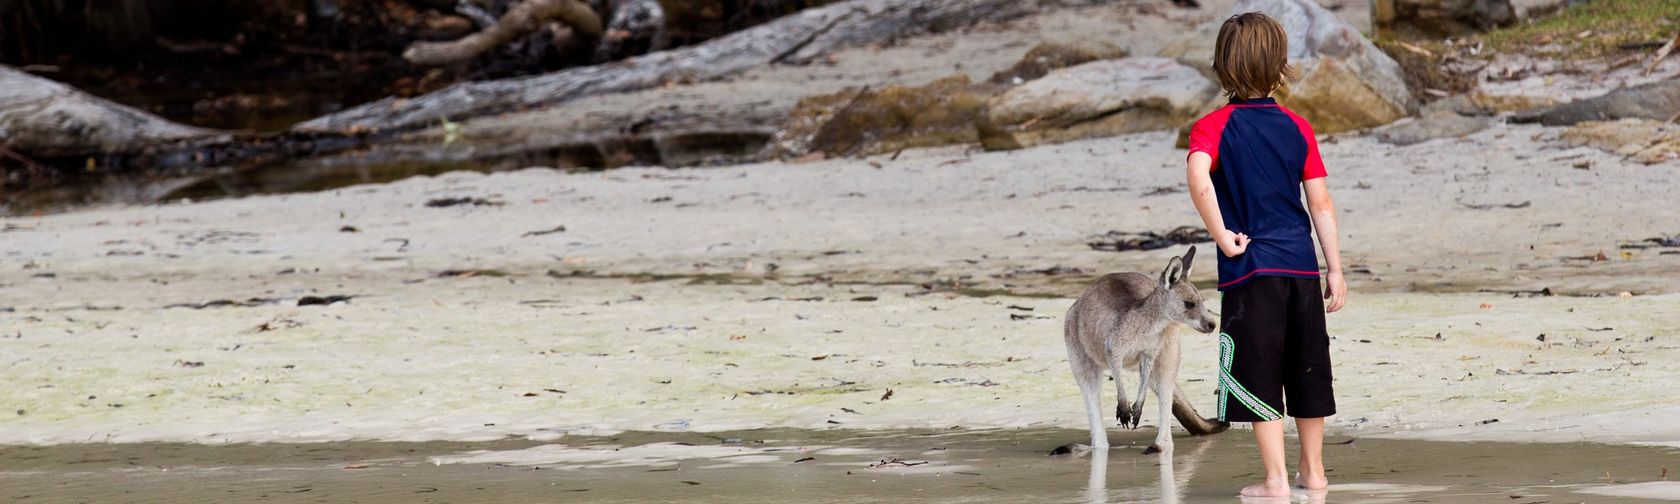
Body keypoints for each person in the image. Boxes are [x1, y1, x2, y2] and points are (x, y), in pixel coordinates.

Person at [1183, 11, 1347, 499]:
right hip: (1300, 267)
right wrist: (1334, 269)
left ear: (1222, 67)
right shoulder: (1298, 127)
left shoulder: (1212, 126)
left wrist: (1221, 234)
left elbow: (1197, 176)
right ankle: (1313, 472)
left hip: (1250, 271)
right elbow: (1320, 203)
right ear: (1279, 67)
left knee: (1259, 373)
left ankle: (1275, 480)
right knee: (1307, 367)